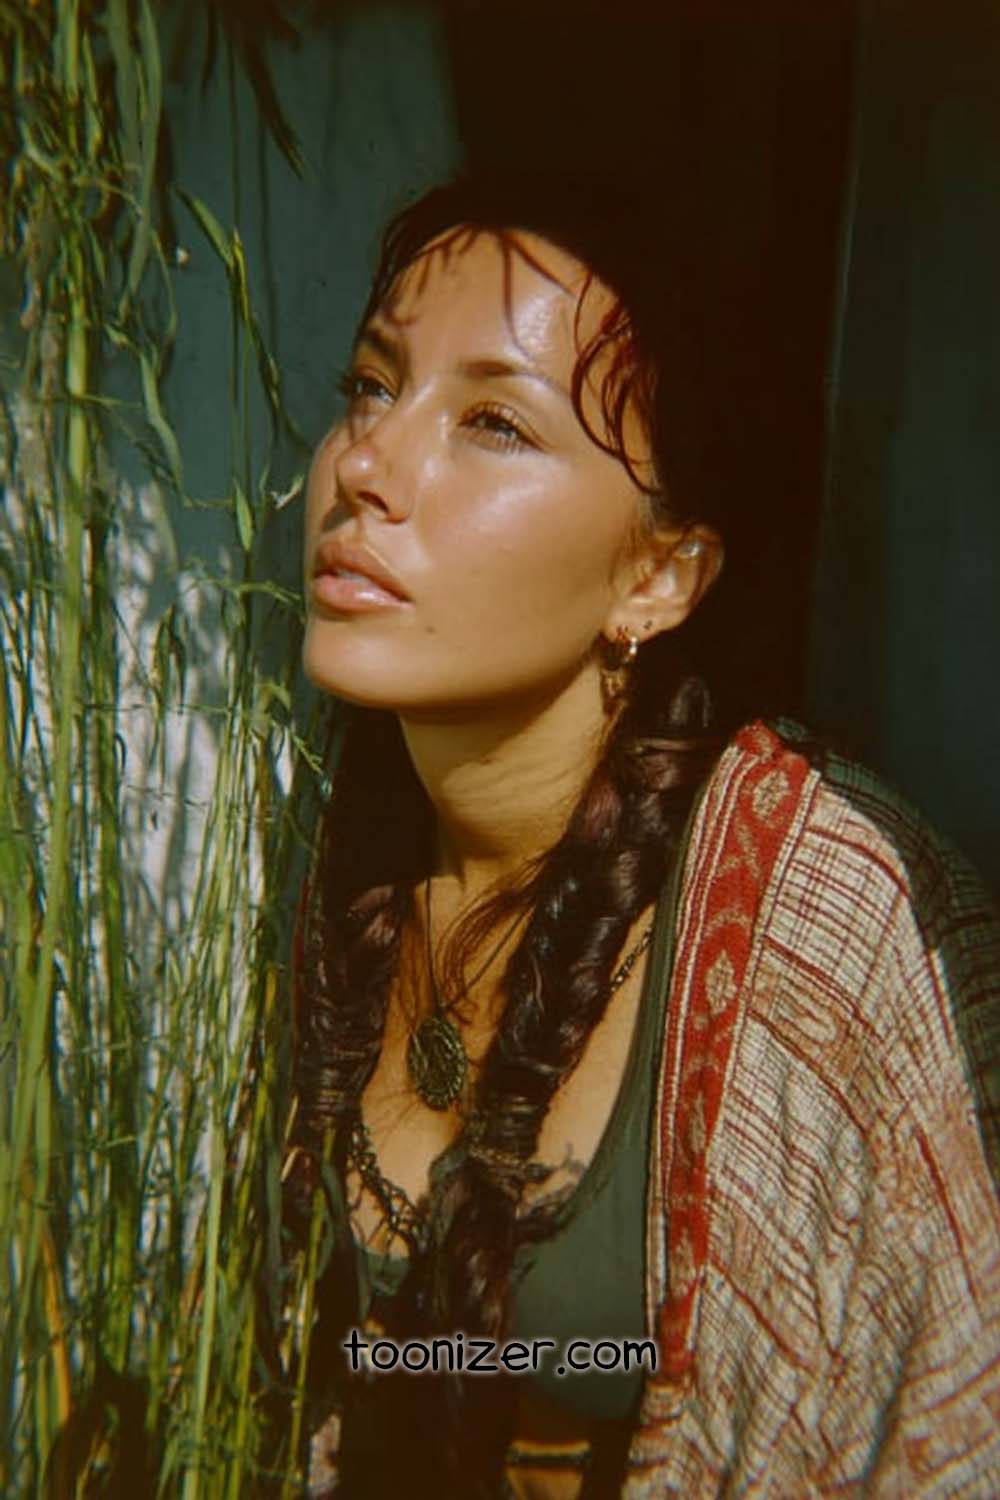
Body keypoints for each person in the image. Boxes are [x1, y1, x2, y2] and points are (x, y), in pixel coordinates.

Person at [283, 173, 1000, 1499]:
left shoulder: (836, 929)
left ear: (659, 577)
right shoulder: (289, 840)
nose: (367, 464)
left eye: (491, 419)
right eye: (373, 385)